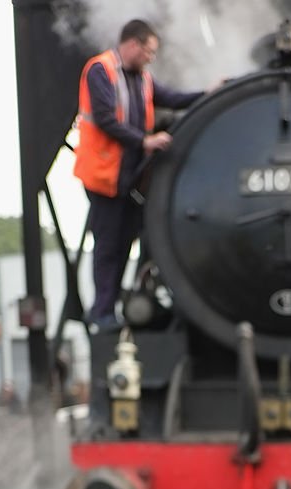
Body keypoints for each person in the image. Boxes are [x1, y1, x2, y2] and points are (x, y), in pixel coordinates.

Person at [74, 19, 203, 331]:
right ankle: (102, 312)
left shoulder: (143, 79)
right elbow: (105, 119)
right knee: (108, 247)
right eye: (149, 51)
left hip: (130, 180)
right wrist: (145, 141)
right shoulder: (100, 70)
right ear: (132, 43)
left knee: (125, 243)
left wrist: (209, 93)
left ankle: (116, 306)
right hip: (105, 178)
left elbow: (172, 98)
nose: (151, 57)